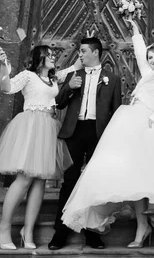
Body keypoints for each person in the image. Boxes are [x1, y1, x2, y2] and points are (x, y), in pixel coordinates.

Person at [60, 18, 154, 248]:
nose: (153, 60)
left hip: (147, 123)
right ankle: (141, 227)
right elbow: (140, 54)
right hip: (129, 122)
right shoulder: (149, 73)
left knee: (144, 178)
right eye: (151, 57)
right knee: (131, 176)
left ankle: (147, 227)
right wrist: (136, 29)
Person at [0, 45, 76, 250]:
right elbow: (7, 88)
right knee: (24, 178)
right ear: (39, 58)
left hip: (49, 128)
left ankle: (27, 231)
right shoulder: (28, 76)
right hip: (30, 127)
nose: (53, 57)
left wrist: (88, 40)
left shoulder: (54, 79)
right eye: (50, 55)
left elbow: (75, 66)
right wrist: (3, 64)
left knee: (40, 181)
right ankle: (3, 227)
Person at [48, 36, 122, 250]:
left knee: (95, 184)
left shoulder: (113, 78)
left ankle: (93, 233)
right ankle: (60, 232)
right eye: (79, 51)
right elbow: (59, 103)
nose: (79, 55)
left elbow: (116, 111)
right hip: (74, 132)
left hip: (98, 134)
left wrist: (114, 139)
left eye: (83, 51)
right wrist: (69, 87)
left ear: (95, 53)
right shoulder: (73, 74)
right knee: (69, 181)